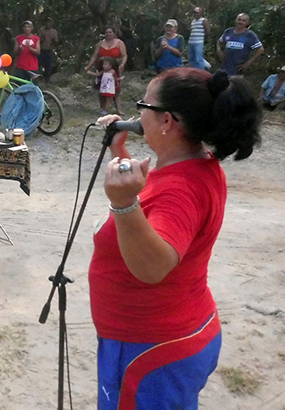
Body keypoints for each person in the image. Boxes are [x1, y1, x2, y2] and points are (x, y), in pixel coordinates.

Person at [91, 67, 261, 410]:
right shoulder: (193, 165)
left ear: (166, 121)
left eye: (144, 105)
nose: (138, 114)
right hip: (169, 334)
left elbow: (154, 266)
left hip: (152, 347)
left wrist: (122, 204)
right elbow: (148, 215)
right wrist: (119, 155)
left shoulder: (180, 190)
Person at [85, 26, 127, 113]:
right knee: (101, 89)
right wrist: (88, 66)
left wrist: (123, 63)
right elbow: (94, 56)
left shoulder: (119, 43)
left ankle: (118, 109)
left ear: (114, 33)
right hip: (101, 67)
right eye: (107, 32)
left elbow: (124, 55)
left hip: (114, 69)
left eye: (110, 32)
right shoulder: (100, 43)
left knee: (116, 89)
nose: (108, 34)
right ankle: (103, 108)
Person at [38, 17, 59, 83]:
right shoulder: (41, 30)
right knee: (38, 65)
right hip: (41, 50)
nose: (48, 24)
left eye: (49, 22)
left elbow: (57, 41)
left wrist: (53, 40)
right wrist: (42, 39)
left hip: (49, 50)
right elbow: (37, 41)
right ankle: (37, 79)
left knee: (48, 66)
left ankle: (47, 80)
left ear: (52, 23)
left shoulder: (54, 31)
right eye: (47, 22)